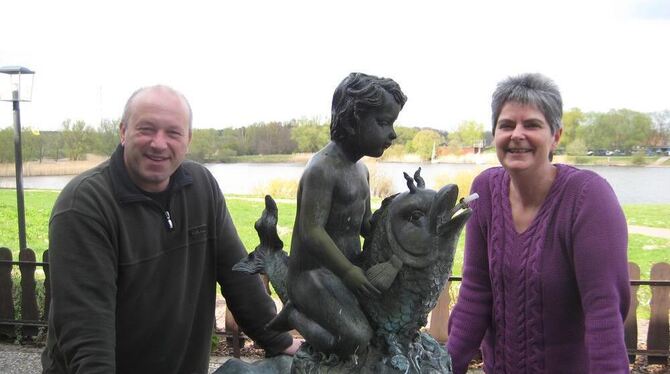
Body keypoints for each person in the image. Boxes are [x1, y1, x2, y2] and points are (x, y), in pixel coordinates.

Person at [41, 85, 300, 374]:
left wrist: (279, 340)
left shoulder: (202, 187)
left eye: (173, 133)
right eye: (146, 129)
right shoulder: (84, 205)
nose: (159, 143)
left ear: (188, 139)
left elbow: (237, 274)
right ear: (123, 132)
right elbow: (86, 328)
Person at [447, 73, 630, 373]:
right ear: (495, 135)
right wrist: (445, 367)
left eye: (532, 124)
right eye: (506, 125)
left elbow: (604, 317)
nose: (517, 134)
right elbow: (474, 296)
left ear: (555, 136)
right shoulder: (486, 191)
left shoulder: (588, 198)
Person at [271, 73, 406, 357]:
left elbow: (366, 226)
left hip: (348, 271)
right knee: (357, 339)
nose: (392, 134)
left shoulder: (362, 171)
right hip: (313, 275)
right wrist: (347, 271)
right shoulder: (322, 168)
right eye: (383, 122)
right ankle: (295, 315)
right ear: (352, 120)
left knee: (383, 325)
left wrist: (400, 214)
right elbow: (311, 231)